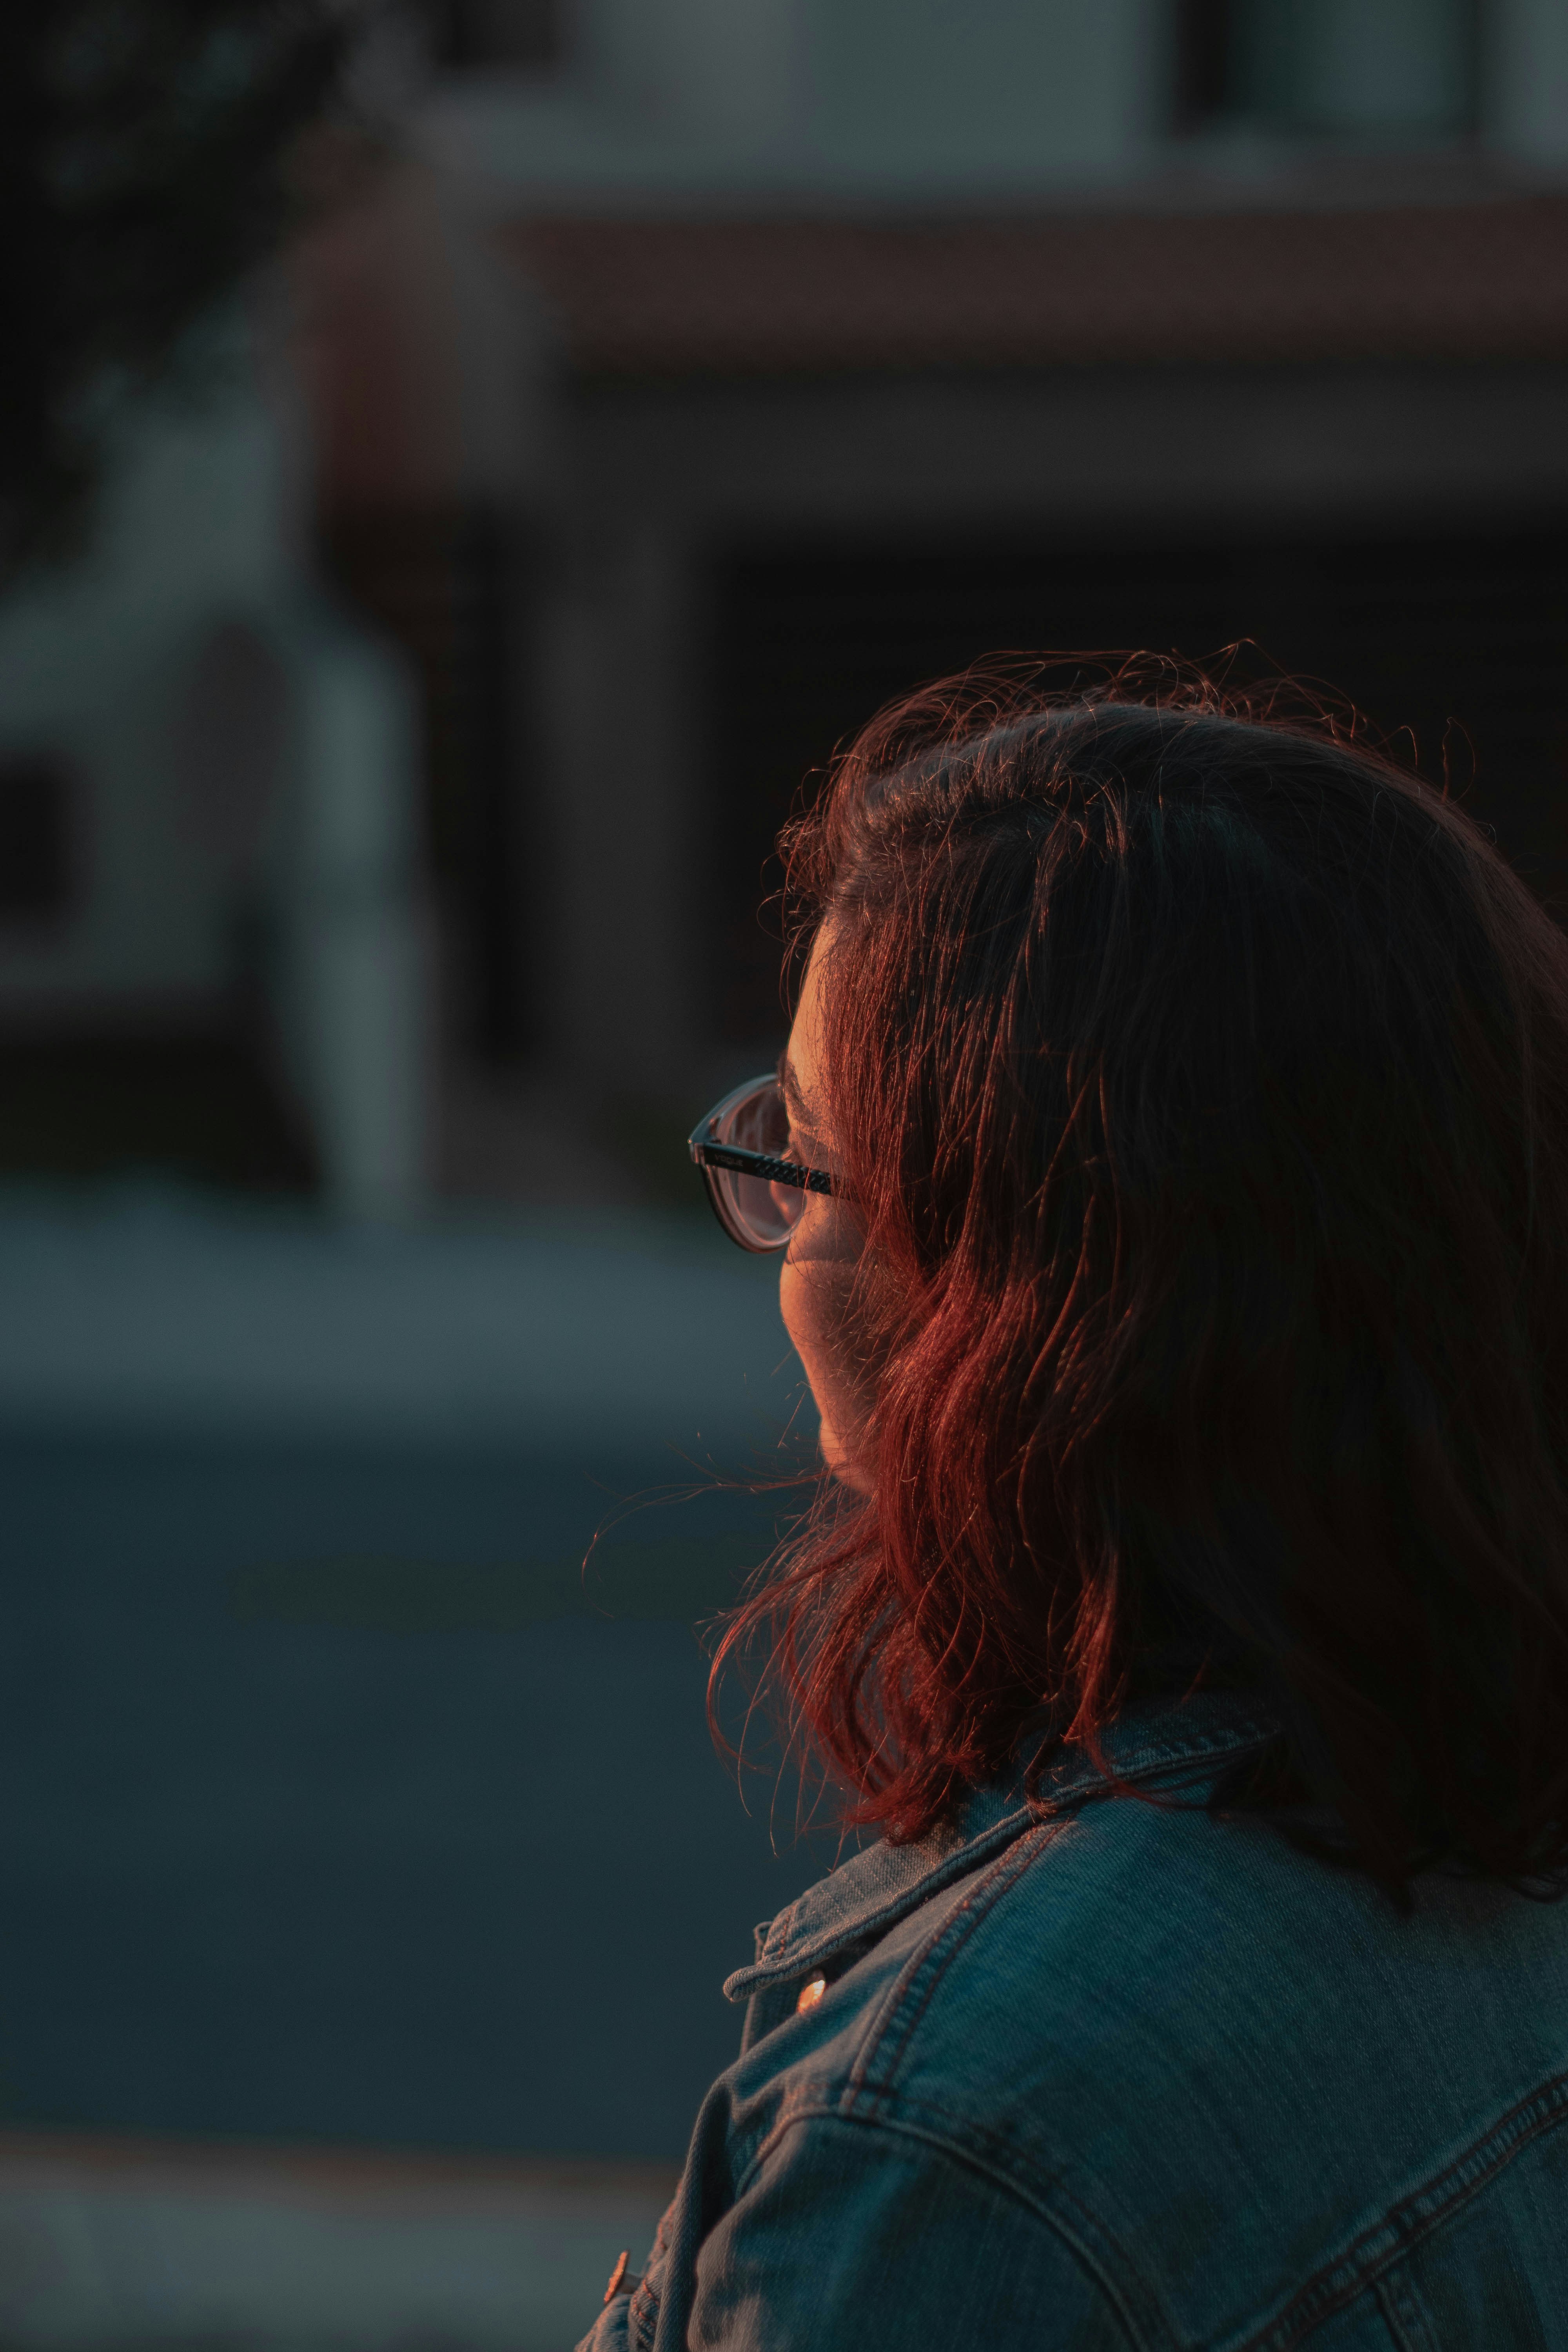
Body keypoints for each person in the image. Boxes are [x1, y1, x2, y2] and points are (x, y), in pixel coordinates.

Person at [580, 669, 1568, 2350]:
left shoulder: (956, 2146)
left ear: (1029, 1307)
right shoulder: (1490, 1820)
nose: (780, 1243)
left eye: (801, 1161)